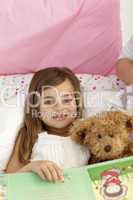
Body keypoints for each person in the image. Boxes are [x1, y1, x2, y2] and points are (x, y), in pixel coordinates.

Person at [6, 67, 90, 182]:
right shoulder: (30, 134)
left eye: (66, 100)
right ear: (36, 106)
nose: (59, 108)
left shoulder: (89, 131)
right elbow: (9, 179)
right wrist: (32, 166)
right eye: (49, 102)